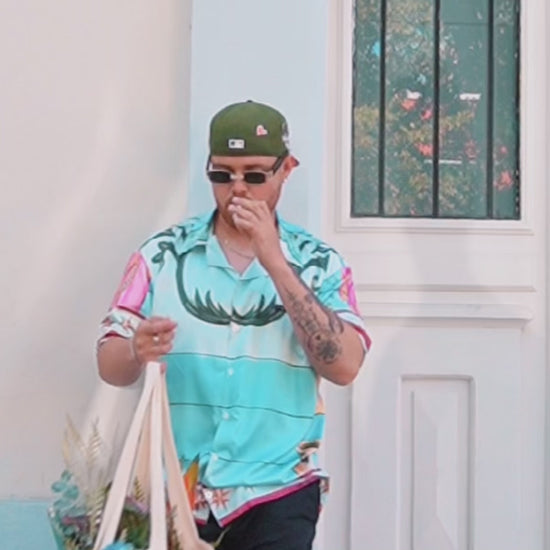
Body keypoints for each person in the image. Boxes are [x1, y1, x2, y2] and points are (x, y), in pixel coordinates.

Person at [97, 100, 371, 550]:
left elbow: (344, 367)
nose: (237, 189)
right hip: (174, 490)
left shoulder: (319, 263)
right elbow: (109, 364)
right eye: (222, 174)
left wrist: (274, 259)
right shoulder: (161, 256)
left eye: (255, 175)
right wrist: (134, 351)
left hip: (277, 491)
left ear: (286, 170)